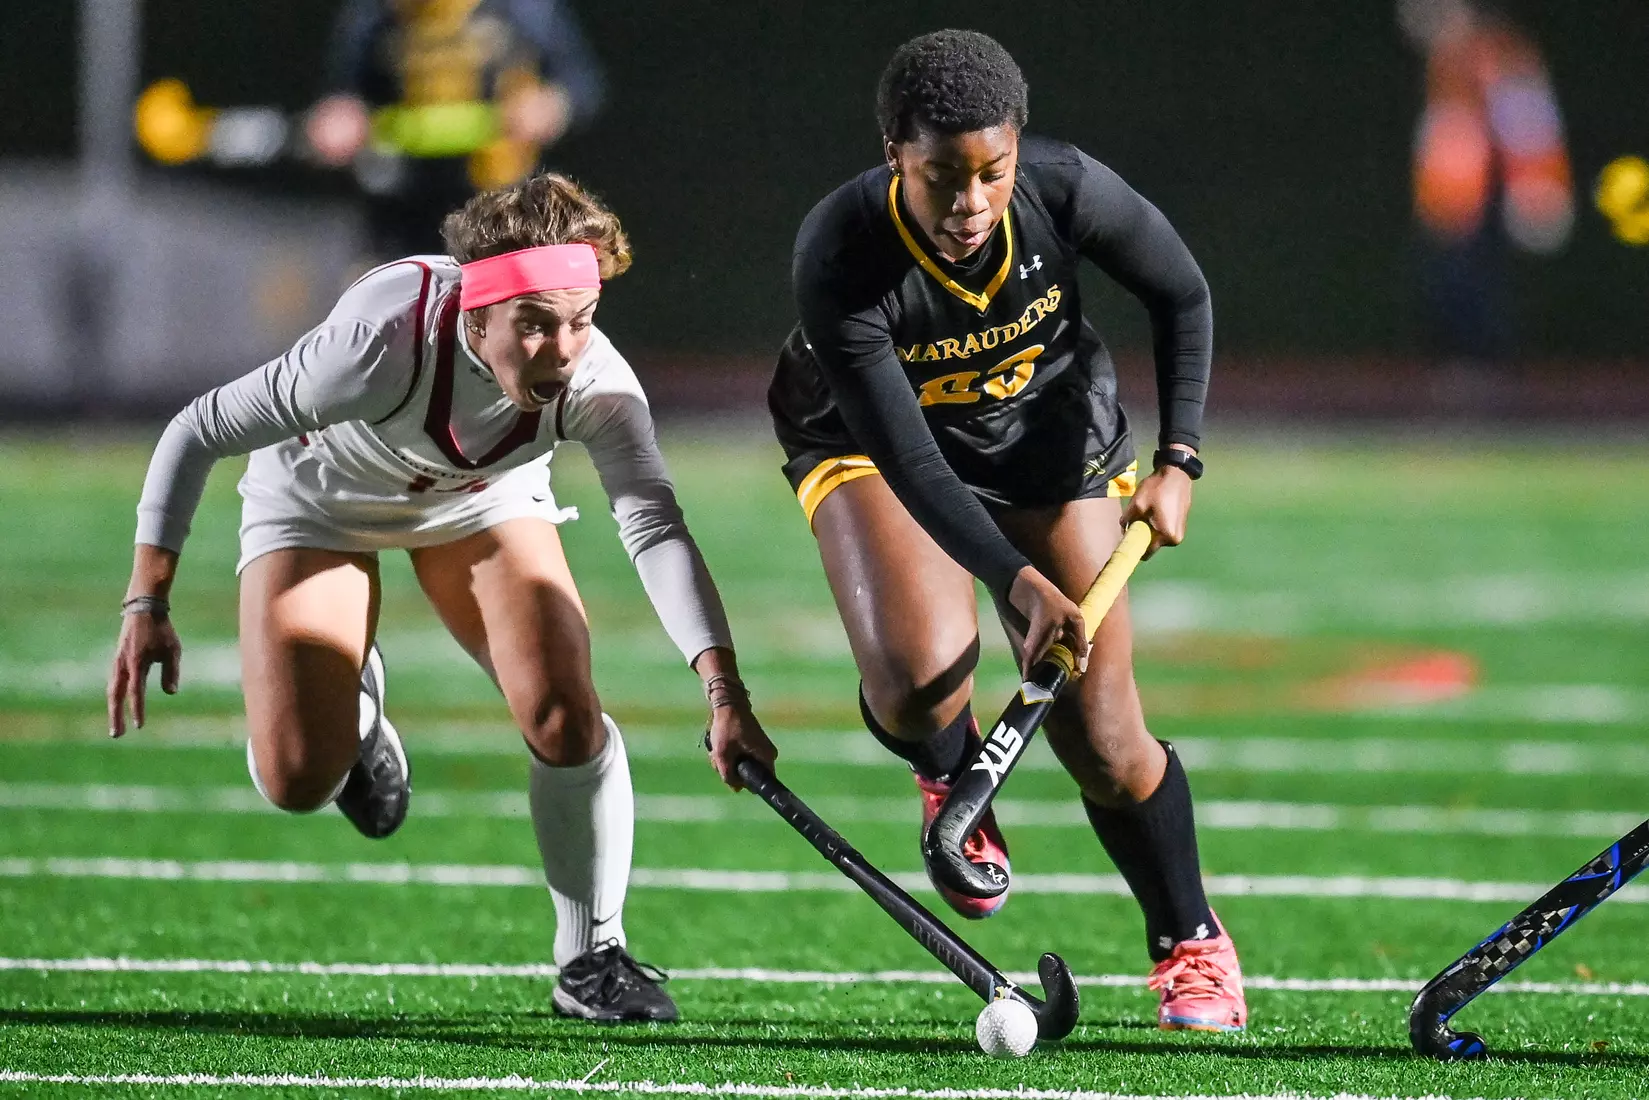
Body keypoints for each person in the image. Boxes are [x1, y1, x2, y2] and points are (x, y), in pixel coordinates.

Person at [107, 172, 778, 1023]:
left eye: (580, 319)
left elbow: (655, 527)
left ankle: (591, 958)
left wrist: (723, 690)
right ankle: (356, 712)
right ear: (476, 317)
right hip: (321, 501)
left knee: (566, 712)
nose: (564, 349)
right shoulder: (376, 343)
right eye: (534, 324)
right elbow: (195, 430)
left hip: (480, 501)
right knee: (294, 779)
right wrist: (147, 603)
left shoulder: (598, 383)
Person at [767, 29, 1244, 1032]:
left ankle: (1190, 940)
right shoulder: (840, 250)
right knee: (916, 672)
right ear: (894, 152)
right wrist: (1014, 578)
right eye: (942, 177)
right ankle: (946, 767)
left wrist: (1179, 459)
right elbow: (913, 462)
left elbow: (1181, 293)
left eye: (992, 172)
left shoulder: (1066, 188)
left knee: (1105, 740)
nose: (970, 203)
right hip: (869, 441)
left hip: (1045, 432)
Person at [305, 0, 606, 261]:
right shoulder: (374, 15)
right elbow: (344, 95)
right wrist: (339, 119)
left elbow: (581, 84)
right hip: (401, 204)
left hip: (499, 204)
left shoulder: (524, 10)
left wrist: (549, 106)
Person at [1399, 0, 1573, 368]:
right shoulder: (1447, 57)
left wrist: (1537, 186)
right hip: (1454, 196)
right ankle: (1462, 365)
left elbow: (1526, 124)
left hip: (1486, 193)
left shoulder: (1497, 53)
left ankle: (1489, 370)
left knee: (1477, 285)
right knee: (1447, 284)